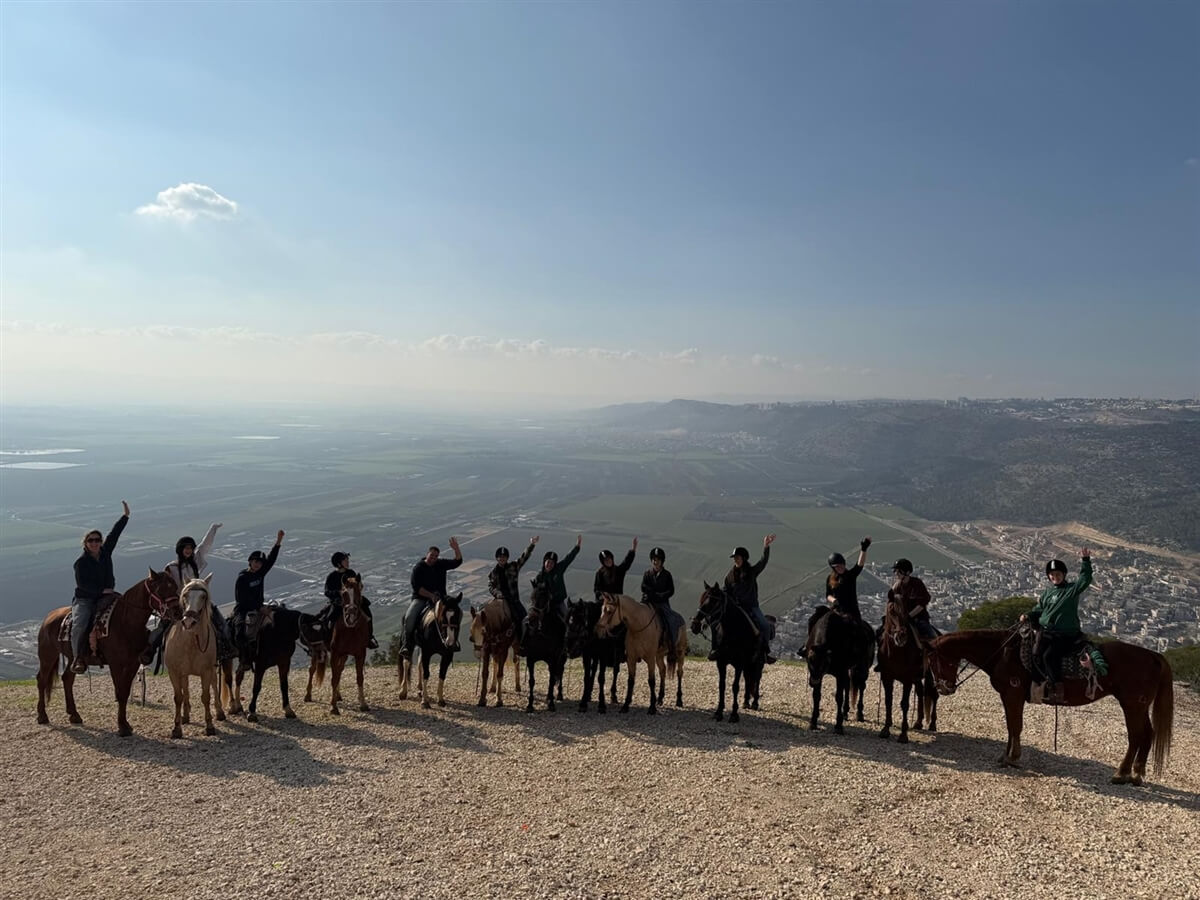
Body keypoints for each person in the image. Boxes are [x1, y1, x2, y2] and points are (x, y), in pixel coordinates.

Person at [140, 523, 223, 666]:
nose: (189, 551)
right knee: (162, 627)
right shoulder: (171, 567)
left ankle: (225, 647)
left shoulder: (196, 561)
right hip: (178, 603)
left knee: (218, 620)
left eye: (190, 548)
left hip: (197, 601)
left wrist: (213, 529)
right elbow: (166, 587)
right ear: (180, 550)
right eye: (186, 548)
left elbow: (205, 546)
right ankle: (149, 650)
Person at [1021, 548, 1093, 695]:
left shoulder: (1071, 590)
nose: (1055, 577)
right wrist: (1028, 615)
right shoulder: (1047, 593)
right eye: (1052, 574)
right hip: (1047, 632)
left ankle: (1057, 687)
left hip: (1065, 634)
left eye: (1058, 574)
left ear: (1064, 575)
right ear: (1049, 576)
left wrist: (1086, 561)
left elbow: (1085, 579)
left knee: (1049, 656)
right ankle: (1038, 683)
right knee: (1034, 653)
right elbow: (1039, 609)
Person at [70, 501, 130, 673]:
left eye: (97, 540)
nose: (95, 543)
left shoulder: (105, 552)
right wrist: (101, 590)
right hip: (86, 598)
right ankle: (78, 657)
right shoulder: (81, 563)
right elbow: (82, 584)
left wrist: (125, 517)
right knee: (80, 624)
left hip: (107, 595)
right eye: (91, 540)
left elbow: (115, 534)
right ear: (85, 543)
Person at [718, 533, 777, 664]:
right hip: (736, 608)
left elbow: (763, 562)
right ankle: (718, 649)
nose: (736, 560)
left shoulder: (751, 572)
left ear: (744, 558)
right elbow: (726, 590)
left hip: (751, 607)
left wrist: (766, 547)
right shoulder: (729, 576)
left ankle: (765, 652)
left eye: (738, 557)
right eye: (734, 558)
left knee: (765, 626)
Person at [402, 537, 463, 655]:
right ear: (427, 554)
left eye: (435, 556)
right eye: (432, 555)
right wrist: (430, 595)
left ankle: (453, 640)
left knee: (457, 613)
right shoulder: (418, 568)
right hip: (421, 599)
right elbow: (417, 588)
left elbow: (457, 562)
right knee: (409, 617)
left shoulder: (440, 564)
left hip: (440, 599)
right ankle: (407, 644)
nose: (433, 558)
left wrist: (456, 549)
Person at [232, 530, 285, 658]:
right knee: (239, 633)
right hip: (243, 609)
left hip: (260, 606)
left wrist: (278, 542)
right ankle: (244, 659)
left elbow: (271, 559)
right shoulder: (243, 577)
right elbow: (242, 599)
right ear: (250, 561)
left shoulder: (260, 572)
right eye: (255, 562)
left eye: (260, 563)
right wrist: (259, 607)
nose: (257, 565)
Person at [487, 537, 539, 643]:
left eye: (504, 557)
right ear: (497, 558)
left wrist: (532, 545)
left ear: (507, 558)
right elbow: (491, 586)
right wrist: (497, 593)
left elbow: (524, 557)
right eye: (500, 557)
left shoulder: (513, 566)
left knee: (524, 619)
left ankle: (522, 641)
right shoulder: (493, 572)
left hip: (514, 600)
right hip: (501, 601)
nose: (502, 559)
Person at [321, 551, 378, 649]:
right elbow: (327, 592)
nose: (348, 561)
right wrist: (338, 593)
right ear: (339, 563)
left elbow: (358, 585)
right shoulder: (332, 576)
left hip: (354, 600)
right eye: (345, 560)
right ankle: (327, 639)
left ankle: (369, 637)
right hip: (339, 602)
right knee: (329, 618)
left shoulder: (351, 573)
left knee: (368, 615)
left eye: (347, 559)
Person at [530, 535, 582, 628]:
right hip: (543, 605)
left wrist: (577, 547)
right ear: (544, 562)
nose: (549, 564)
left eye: (552, 563)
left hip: (558, 602)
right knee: (530, 620)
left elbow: (568, 559)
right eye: (548, 562)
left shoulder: (559, 569)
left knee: (568, 622)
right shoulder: (540, 576)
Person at [884, 558, 936, 647]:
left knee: (931, 636)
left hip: (918, 618)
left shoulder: (917, 584)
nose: (896, 573)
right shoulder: (897, 586)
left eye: (899, 571)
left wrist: (909, 616)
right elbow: (890, 601)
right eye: (895, 571)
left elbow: (922, 603)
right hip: (900, 619)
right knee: (882, 630)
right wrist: (893, 589)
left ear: (907, 572)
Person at [640, 546, 679, 664]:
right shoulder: (647, 573)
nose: (655, 562)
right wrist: (650, 593)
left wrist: (661, 596)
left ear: (662, 561)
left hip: (662, 603)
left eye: (658, 559)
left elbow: (671, 590)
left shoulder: (667, 575)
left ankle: (672, 646)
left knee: (670, 620)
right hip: (649, 602)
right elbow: (643, 586)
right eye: (654, 559)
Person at [825, 536, 871, 621]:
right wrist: (834, 600)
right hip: (836, 611)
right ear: (833, 568)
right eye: (837, 566)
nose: (840, 567)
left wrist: (863, 549)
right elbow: (828, 594)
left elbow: (859, 565)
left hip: (852, 611)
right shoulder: (830, 579)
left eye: (842, 564)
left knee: (860, 631)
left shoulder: (850, 575)